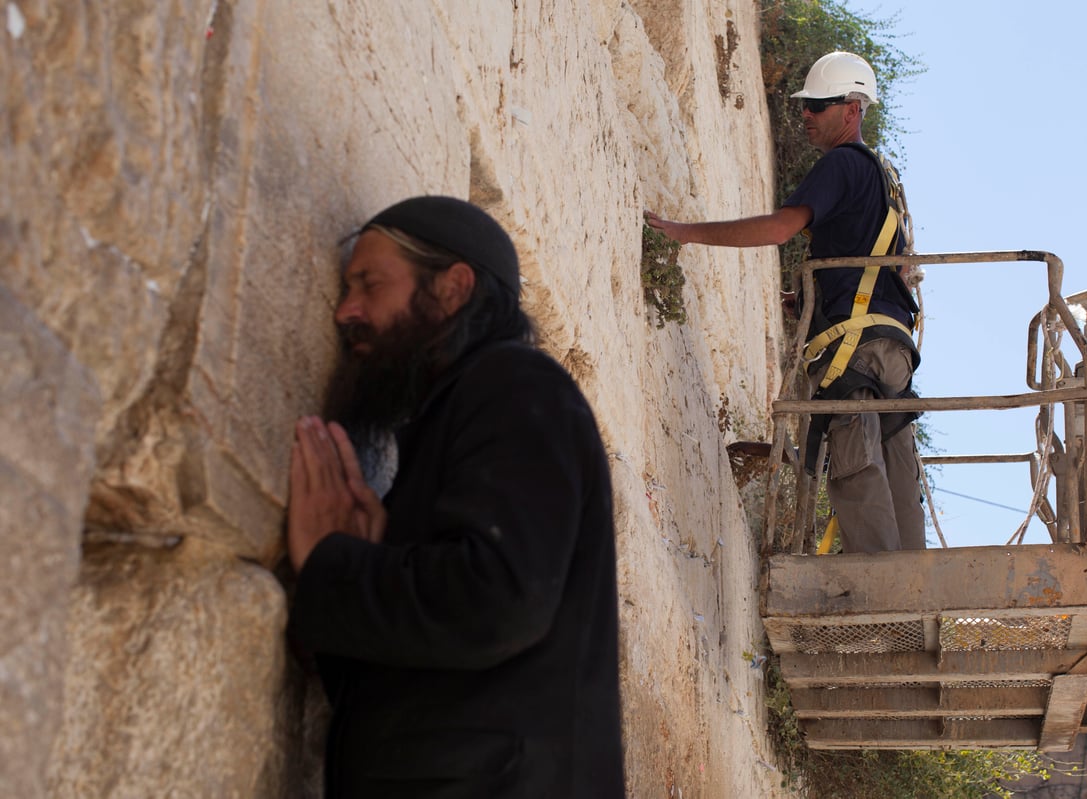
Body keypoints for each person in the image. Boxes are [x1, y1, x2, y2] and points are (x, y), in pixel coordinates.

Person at [285, 195, 625, 797]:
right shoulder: (460, 415)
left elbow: (497, 601)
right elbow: (422, 673)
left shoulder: (518, 383)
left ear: (452, 287)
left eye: (368, 284)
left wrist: (333, 565)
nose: (345, 311)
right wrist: (372, 558)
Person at [645, 51, 924, 553]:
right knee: (896, 473)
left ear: (853, 108)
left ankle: (885, 604)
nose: (807, 115)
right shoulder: (884, 178)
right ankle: (918, 598)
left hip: (854, 349)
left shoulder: (843, 163)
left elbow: (780, 227)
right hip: (891, 351)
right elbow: (874, 266)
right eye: (806, 106)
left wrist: (685, 232)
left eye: (819, 105)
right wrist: (809, 301)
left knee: (856, 471)